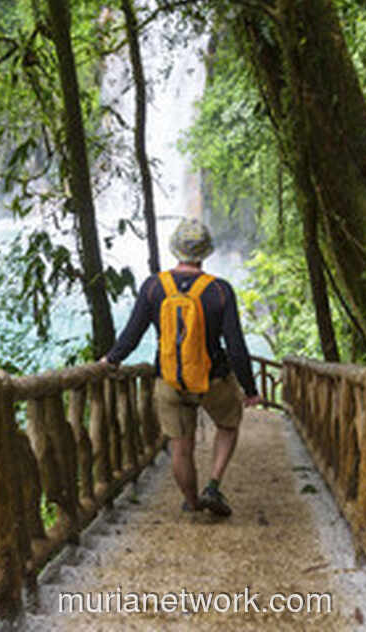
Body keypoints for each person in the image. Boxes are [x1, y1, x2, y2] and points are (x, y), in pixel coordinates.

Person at [98, 218, 262, 517]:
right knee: (227, 425)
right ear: (205, 252)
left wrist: (111, 359)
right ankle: (212, 485)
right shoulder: (220, 290)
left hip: (170, 380)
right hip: (213, 380)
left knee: (180, 447)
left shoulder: (153, 287)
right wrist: (250, 390)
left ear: (175, 249)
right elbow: (236, 345)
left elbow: (132, 334)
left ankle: (193, 501)